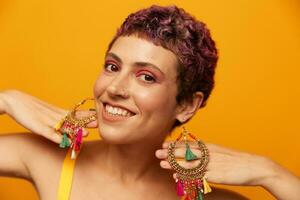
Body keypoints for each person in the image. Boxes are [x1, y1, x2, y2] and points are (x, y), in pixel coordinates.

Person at [0, 5, 299, 200]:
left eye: (146, 77)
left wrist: (270, 173)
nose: (115, 88)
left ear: (186, 105)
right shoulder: (45, 159)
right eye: (112, 66)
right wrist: (5, 100)